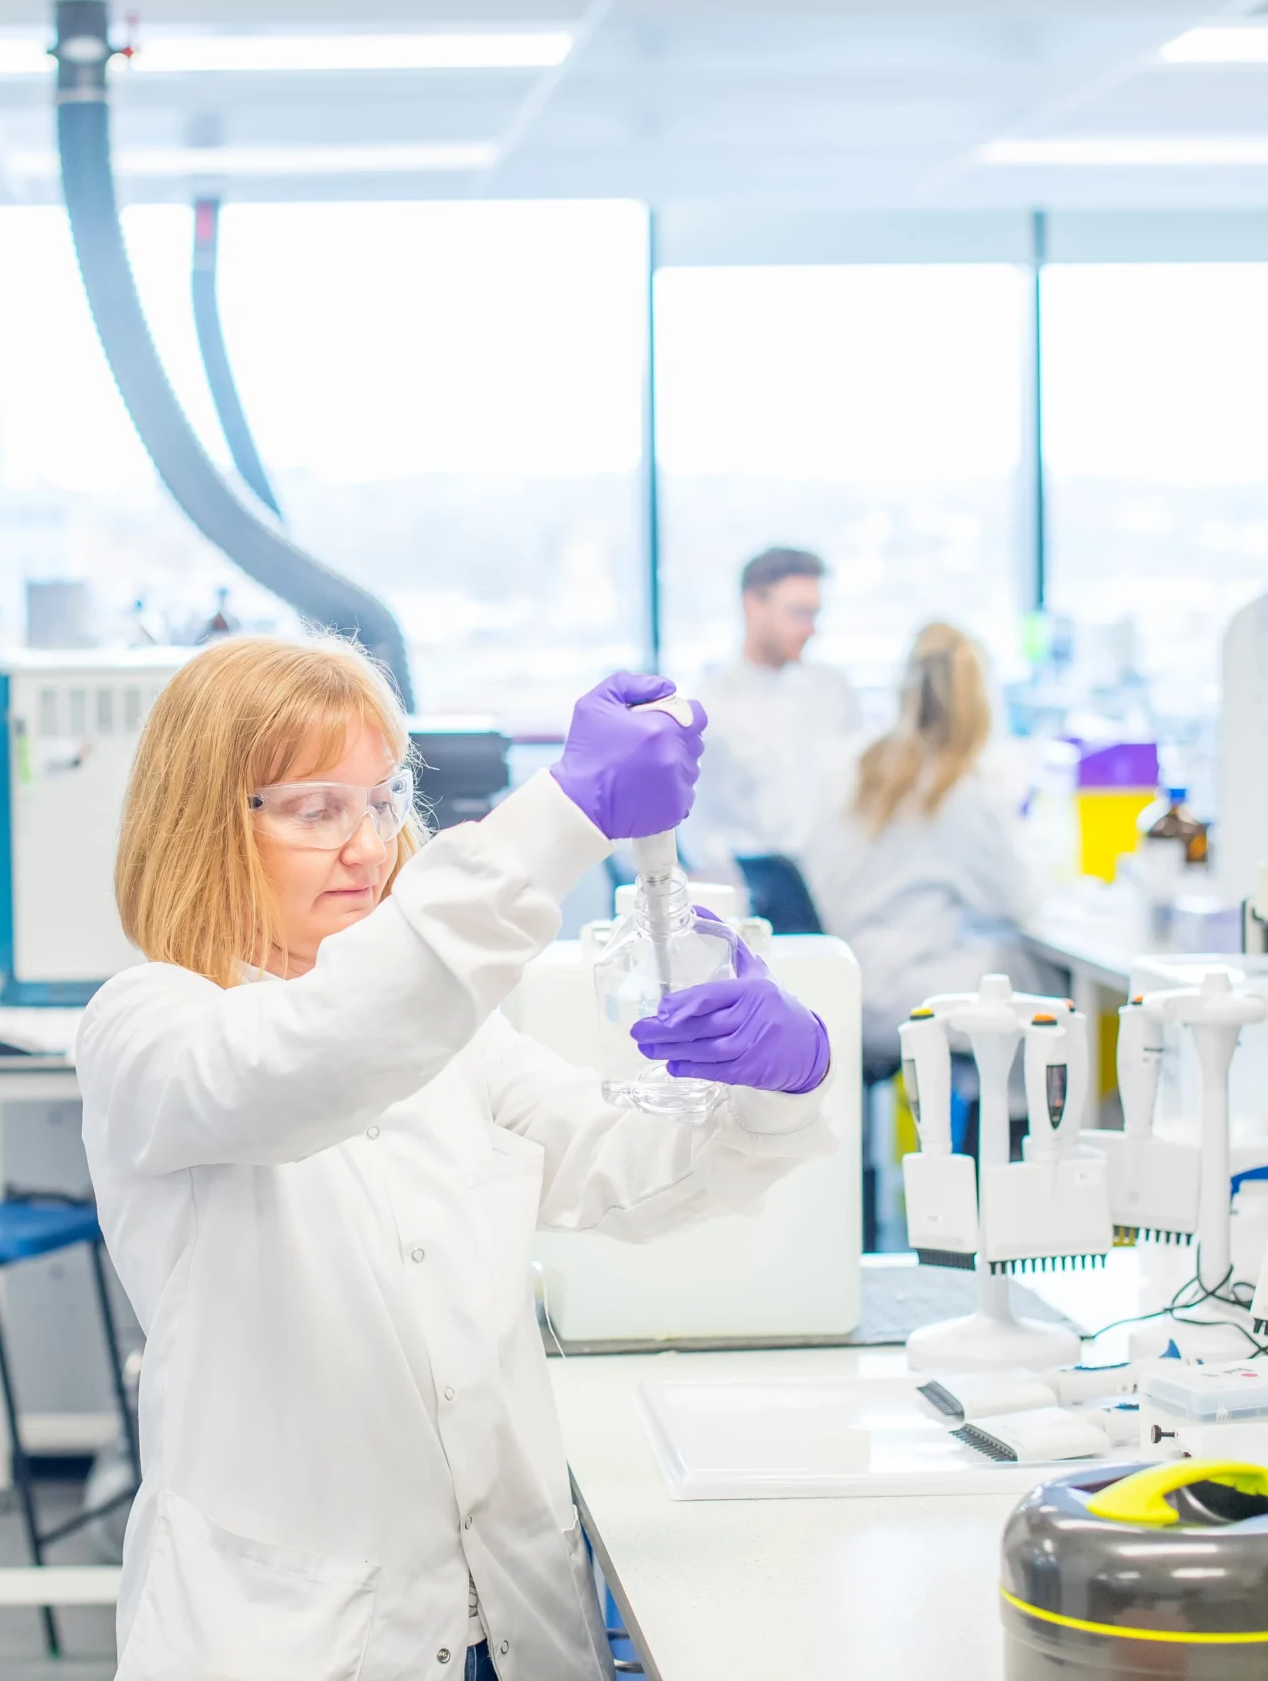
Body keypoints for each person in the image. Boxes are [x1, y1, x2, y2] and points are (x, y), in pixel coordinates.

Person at [77, 636, 835, 1679]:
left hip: (505, 1626)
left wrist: (779, 1076)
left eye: (381, 800)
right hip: (297, 1643)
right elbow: (320, 1054)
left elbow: (628, 1170)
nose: (365, 845)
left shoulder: (454, 1039)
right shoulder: (149, 1028)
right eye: (314, 810)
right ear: (205, 822)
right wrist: (565, 813)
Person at [800, 622, 1048, 1079]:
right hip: (901, 991)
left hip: (843, 980)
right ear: (980, 703)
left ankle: (973, 1127)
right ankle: (1006, 1135)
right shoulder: (960, 790)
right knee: (1040, 992)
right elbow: (1020, 902)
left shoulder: (858, 766)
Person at [688, 545, 866, 871]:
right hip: (749, 891)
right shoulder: (711, 708)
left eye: (814, 614)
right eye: (798, 613)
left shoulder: (832, 691)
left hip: (834, 884)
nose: (810, 629)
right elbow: (699, 832)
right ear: (752, 605)